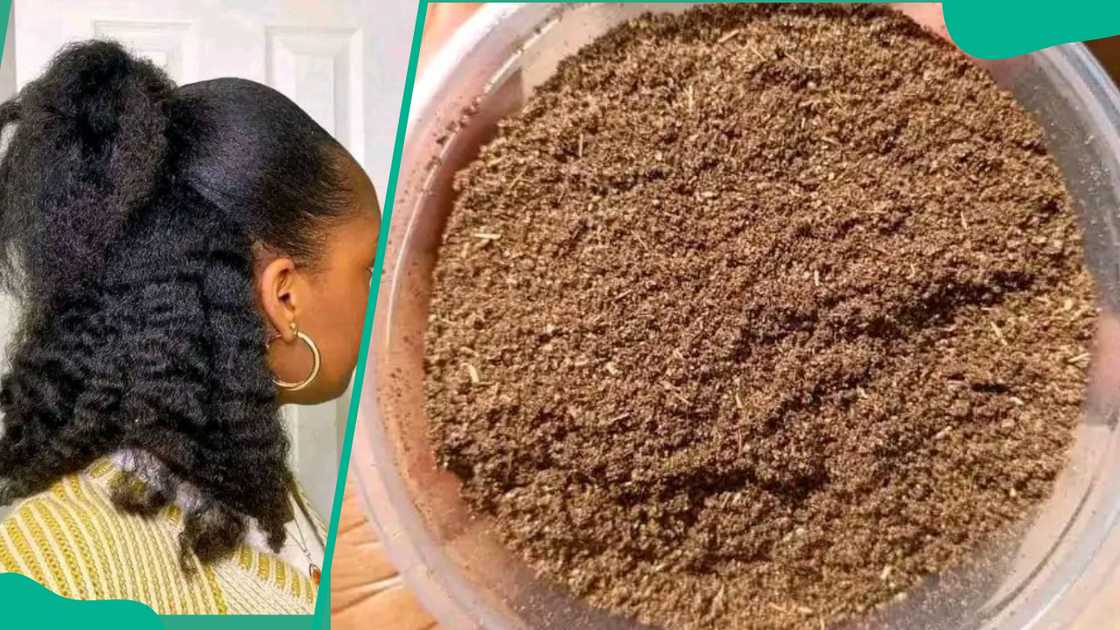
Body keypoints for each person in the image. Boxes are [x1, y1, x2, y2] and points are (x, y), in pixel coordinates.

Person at [0, 40, 378, 614]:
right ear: (284, 296)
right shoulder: (49, 573)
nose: (380, 292)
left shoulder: (250, 480)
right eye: (369, 268)